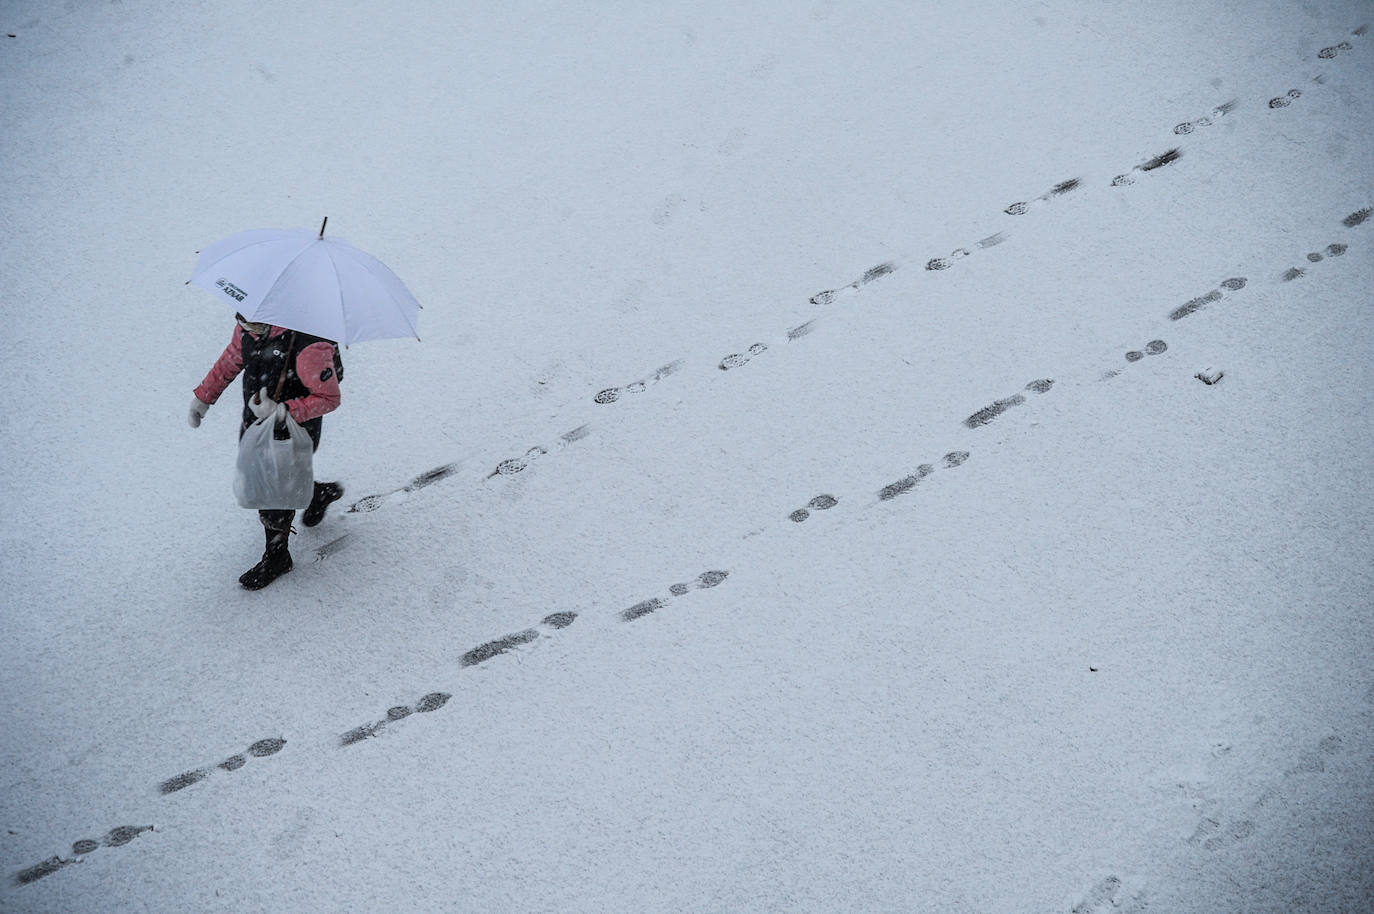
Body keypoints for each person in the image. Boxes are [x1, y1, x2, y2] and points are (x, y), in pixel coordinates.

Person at [189, 313, 346, 590]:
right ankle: (317, 495)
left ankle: (277, 556)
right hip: (257, 426)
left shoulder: (309, 344)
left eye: (252, 324)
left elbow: (329, 398)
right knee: (273, 480)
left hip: (294, 432)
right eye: (243, 321)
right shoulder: (249, 327)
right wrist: (204, 398)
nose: (245, 329)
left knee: (271, 493)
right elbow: (231, 359)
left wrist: (283, 411)